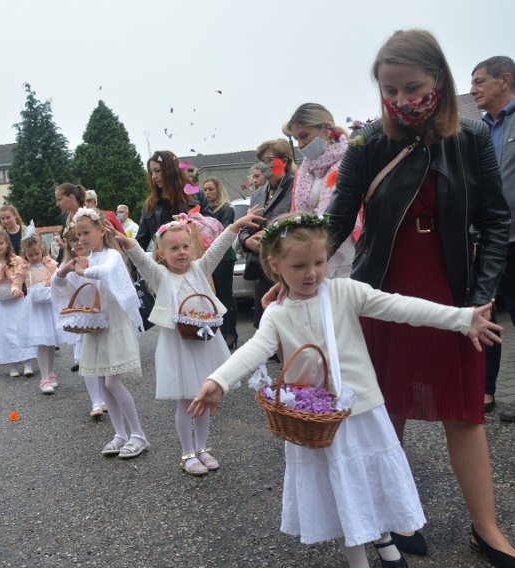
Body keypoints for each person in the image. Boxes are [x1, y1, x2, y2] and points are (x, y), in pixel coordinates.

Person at [190, 213, 503, 568]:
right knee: (338, 486)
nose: (312, 273)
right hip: (316, 421)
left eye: (319, 262)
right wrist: (218, 381)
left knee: (367, 480)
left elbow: (399, 306)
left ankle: (384, 538)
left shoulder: (344, 291)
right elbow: (254, 348)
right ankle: (358, 559)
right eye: (299, 265)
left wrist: (461, 319)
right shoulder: (276, 315)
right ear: (274, 266)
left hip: (362, 409)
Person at [325, 30, 514, 565]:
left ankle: (488, 528)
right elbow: (337, 222)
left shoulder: (473, 137)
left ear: (439, 80)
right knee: (387, 410)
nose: (403, 100)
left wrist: (481, 298)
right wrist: (288, 265)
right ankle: (393, 518)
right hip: (382, 286)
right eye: (390, 89)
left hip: (452, 291)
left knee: (465, 412)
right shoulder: (366, 144)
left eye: (413, 87)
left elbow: (497, 222)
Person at [117, 207, 263, 475]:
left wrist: (235, 226)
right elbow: (141, 260)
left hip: (205, 341)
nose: (182, 252)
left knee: (205, 398)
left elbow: (217, 250)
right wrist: (128, 243)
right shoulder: (161, 276)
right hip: (180, 347)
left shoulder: (198, 269)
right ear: (161, 254)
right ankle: (187, 452)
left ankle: (203, 447)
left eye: (185, 246)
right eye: (174, 248)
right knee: (186, 402)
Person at [52, 207, 148, 458]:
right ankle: (120, 434)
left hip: (114, 325)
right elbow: (65, 286)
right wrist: (64, 271)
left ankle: (138, 434)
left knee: (112, 381)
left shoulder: (111, 256)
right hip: (95, 327)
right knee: (103, 384)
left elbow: (104, 273)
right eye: (78, 234)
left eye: (86, 233)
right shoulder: (85, 259)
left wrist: (81, 270)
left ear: (101, 230)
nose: (81, 239)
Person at [471, 55, 515, 421]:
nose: (473, 90)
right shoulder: (478, 130)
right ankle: (485, 391)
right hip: (488, 240)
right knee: (486, 313)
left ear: (505, 79)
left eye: (480, 81)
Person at [283, 103, 359, 278]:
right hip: (314, 253)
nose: (301, 145)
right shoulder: (304, 172)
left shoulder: (352, 159)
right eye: (297, 139)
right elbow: (297, 213)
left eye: (304, 136)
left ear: (325, 129)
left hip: (349, 252)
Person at [238, 139, 296, 328]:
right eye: (260, 160)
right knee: (267, 322)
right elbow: (245, 225)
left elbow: (301, 222)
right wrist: (246, 240)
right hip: (262, 266)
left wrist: (271, 237)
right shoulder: (258, 193)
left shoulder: (296, 186)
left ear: (284, 162)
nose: (263, 165)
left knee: (289, 322)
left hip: (287, 265)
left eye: (268, 159)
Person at [59, 225, 106, 415]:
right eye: (73, 240)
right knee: (87, 361)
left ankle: (104, 397)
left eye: (81, 238)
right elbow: (58, 286)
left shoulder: (99, 260)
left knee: (102, 358)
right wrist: (65, 272)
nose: (78, 243)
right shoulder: (68, 265)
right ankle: (96, 401)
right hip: (82, 317)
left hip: (100, 315)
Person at [12, 231, 66, 394]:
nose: (34, 257)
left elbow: (59, 277)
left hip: (49, 305)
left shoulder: (49, 264)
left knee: (50, 342)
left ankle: (50, 372)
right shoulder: (24, 268)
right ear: (24, 255)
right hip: (35, 308)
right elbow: (16, 282)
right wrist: (15, 290)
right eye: (30, 255)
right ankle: (44, 378)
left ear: (42, 250)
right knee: (42, 342)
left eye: (37, 253)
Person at [0, 229, 36, 377]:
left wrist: (11, 278)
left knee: (22, 328)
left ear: (7, 243)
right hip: (2, 300)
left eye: (1, 243)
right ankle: (12, 364)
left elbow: (26, 276)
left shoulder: (16, 259)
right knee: (5, 332)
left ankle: (27, 362)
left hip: (17, 296)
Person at [135, 150, 212, 252]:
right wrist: (130, 265)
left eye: (157, 171)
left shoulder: (197, 196)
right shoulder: (150, 204)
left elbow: (210, 229)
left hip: (195, 260)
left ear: (170, 170)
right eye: (151, 172)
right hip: (163, 264)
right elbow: (141, 240)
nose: (153, 176)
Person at [202, 177, 240, 350]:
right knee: (213, 295)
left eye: (211, 189)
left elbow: (223, 232)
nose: (207, 193)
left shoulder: (226, 209)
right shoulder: (203, 210)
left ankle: (230, 332)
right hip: (208, 256)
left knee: (225, 295)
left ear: (218, 190)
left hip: (224, 256)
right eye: (205, 190)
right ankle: (219, 332)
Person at [53, 183, 126, 261]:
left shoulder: (91, 215)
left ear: (71, 197)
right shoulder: (65, 217)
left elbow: (110, 240)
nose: (57, 204)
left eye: (59, 200)